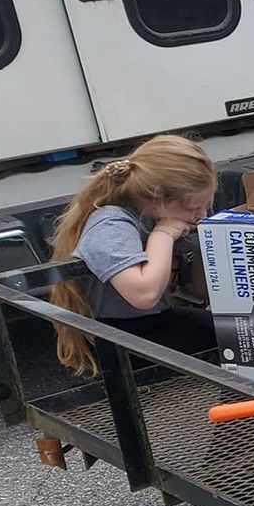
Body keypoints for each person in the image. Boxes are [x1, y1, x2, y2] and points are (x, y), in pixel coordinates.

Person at [48, 135, 218, 374]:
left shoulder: (154, 215)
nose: (200, 214)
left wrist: (206, 242)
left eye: (205, 207)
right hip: (119, 336)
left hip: (156, 320)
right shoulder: (111, 226)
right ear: (156, 197)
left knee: (243, 332)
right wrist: (163, 234)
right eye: (192, 208)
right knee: (233, 339)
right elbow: (143, 294)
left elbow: (200, 289)